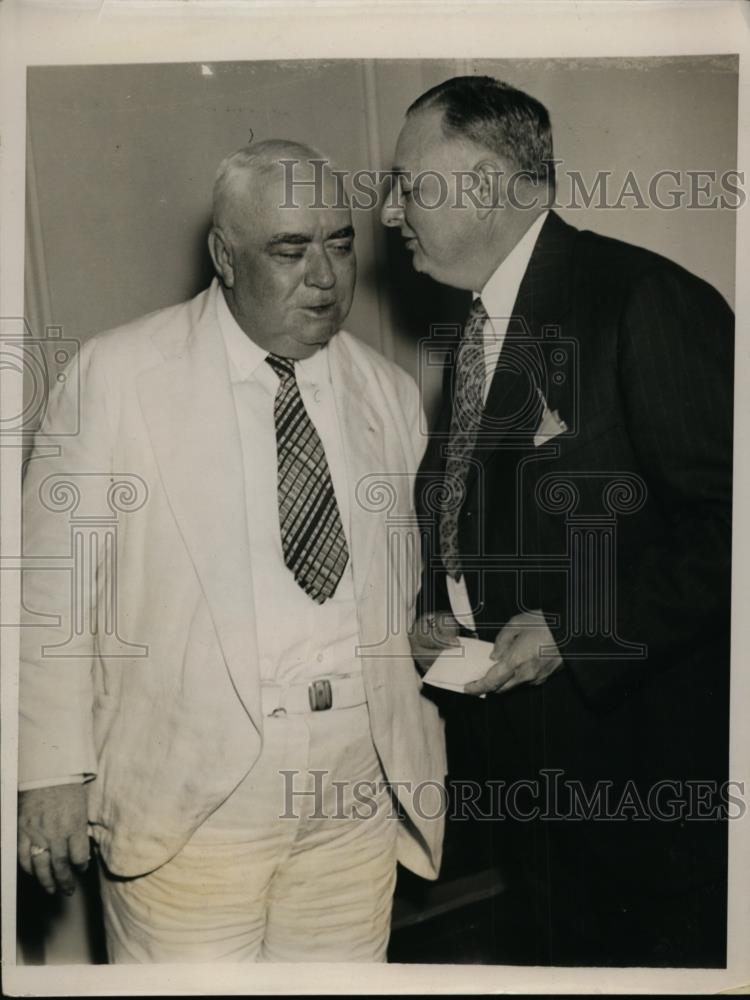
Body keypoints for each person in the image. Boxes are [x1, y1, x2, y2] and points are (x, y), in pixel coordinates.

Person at [17, 140, 446, 964]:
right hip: (194, 800)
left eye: (340, 242)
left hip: (356, 793)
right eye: (289, 250)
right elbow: (49, 593)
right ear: (224, 256)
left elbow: (392, 587)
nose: (325, 277)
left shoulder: (386, 392)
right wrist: (48, 774)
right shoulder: (118, 375)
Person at [381, 76, 733, 966]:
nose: (390, 212)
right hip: (523, 758)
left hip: (639, 778)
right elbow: (470, 496)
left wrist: (578, 634)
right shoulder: (478, 324)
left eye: (410, 184)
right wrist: (441, 599)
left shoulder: (643, 299)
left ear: (492, 183)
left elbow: (728, 528)